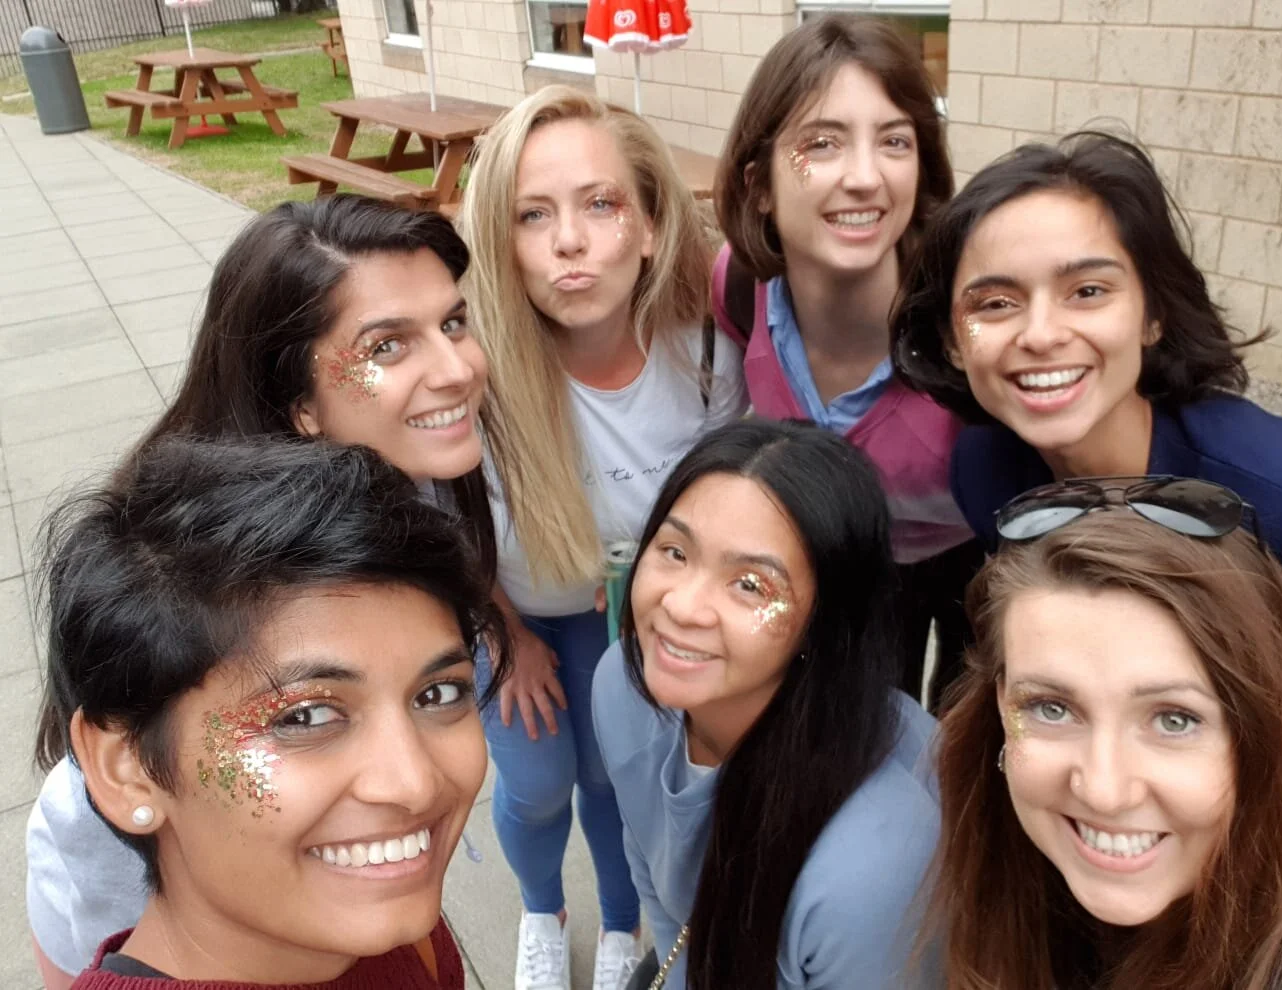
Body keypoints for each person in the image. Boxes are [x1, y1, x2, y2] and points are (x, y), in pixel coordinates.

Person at [27, 194, 498, 989]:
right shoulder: (192, 595)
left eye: (453, 323)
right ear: (300, 405)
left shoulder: (421, 486)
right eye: (388, 344)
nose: (458, 368)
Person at [461, 86, 748, 990]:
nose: (570, 242)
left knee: (613, 775)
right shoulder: (475, 368)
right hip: (504, 604)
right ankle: (542, 911)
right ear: (501, 243)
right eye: (532, 215)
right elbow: (437, 521)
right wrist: (504, 633)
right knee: (539, 780)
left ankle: (622, 924)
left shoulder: (704, 360)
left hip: (611, 608)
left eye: (600, 204)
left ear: (652, 227)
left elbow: (718, 505)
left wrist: (656, 577)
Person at [45, 435, 508, 987]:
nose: (414, 784)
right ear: (128, 770)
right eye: (306, 717)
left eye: (437, 694)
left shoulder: (394, 927)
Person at [891, 131, 1282, 659]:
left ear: (1153, 314)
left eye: (1088, 292)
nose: (1042, 334)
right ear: (952, 343)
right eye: (996, 304)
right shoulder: (985, 473)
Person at [924, 481, 1282, 989]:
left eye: (1174, 719)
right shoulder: (1002, 875)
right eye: (1051, 708)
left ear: (1264, 731)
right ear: (1002, 707)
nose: (1104, 792)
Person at [593, 419, 942, 990]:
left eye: (751, 585)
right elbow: (658, 881)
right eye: (675, 551)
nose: (682, 606)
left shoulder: (875, 863)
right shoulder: (621, 688)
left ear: (822, 625)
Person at [710, 14, 979, 709]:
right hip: (849, 553)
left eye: (894, 141)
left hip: (979, 560)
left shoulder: (966, 326)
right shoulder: (738, 291)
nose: (865, 177)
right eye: (821, 144)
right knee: (861, 730)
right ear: (759, 184)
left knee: (969, 745)